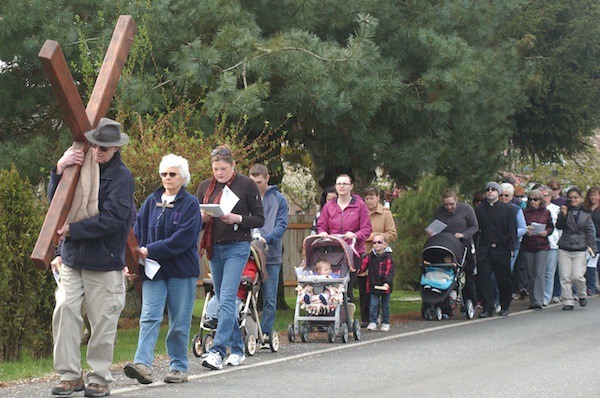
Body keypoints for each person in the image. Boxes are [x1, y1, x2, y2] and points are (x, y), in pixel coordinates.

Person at [49, 118, 134, 397]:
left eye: (104, 148)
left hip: (104, 260)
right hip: (73, 259)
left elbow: (112, 220)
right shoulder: (78, 166)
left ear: (115, 149)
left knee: (103, 321)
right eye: (95, 145)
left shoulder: (121, 176)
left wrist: (73, 230)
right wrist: (59, 169)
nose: (98, 152)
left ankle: (99, 378)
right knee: (64, 311)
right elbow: (57, 205)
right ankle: (69, 376)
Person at [123, 154, 201, 385]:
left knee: (179, 321)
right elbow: (137, 233)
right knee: (149, 316)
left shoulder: (190, 204)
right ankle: (143, 365)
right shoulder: (151, 201)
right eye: (164, 174)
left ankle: (178, 366)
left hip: (181, 270)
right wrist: (134, 262)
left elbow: (183, 239)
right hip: (154, 271)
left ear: (183, 177)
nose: (167, 178)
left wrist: (150, 250)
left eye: (172, 174)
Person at [196, 145, 264, 370]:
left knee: (226, 299)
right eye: (215, 169)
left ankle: (217, 350)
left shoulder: (246, 185)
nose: (219, 173)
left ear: (233, 166)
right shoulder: (205, 186)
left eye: (223, 169)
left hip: (238, 247)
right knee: (222, 298)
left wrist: (237, 218)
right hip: (214, 247)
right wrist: (203, 218)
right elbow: (197, 219)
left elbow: (259, 219)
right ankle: (237, 349)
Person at [248, 163, 289, 342]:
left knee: (270, 298)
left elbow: (281, 225)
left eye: (259, 181)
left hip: (271, 255)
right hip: (249, 253)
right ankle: (249, 331)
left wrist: (267, 238)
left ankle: (265, 333)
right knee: (247, 295)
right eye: (253, 181)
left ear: (267, 178)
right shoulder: (247, 197)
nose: (256, 184)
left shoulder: (279, 200)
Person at [429, 189, 479, 308]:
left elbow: (475, 226)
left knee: (466, 275)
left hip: (463, 245)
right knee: (445, 272)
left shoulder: (466, 209)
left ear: (456, 201)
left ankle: (470, 300)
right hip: (446, 246)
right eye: (446, 204)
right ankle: (444, 303)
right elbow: (436, 226)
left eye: (452, 204)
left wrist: (463, 234)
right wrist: (433, 232)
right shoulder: (439, 212)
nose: (449, 207)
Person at [474, 181, 517, 318]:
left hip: (501, 249)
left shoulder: (508, 209)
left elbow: (512, 230)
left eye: (493, 189)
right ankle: (488, 307)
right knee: (485, 279)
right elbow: (477, 230)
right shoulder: (479, 210)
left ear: (498, 192)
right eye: (488, 190)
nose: (490, 192)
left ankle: (505, 306)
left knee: (503, 279)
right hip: (485, 250)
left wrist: (511, 247)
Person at [361, 186, 397, 327]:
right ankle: (367, 318)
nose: (369, 201)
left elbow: (392, 234)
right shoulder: (361, 212)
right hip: (364, 254)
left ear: (378, 197)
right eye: (367, 198)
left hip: (380, 256)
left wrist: (379, 236)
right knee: (364, 288)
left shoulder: (385, 213)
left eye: (372, 198)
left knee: (379, 287)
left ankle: (381, 317)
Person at [556, 186, 596, 310]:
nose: (573, 200)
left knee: (577, 276)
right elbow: (559, 226)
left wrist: (593, 247)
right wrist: (563, 215)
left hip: (580, 248)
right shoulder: (564, 210)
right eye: (571, 198)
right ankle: (567, 301)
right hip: (565, 246)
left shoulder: (586, 213)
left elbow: (590, 231)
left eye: (575, 197)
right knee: (565, 276)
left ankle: (581, 293)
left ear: (580, 198)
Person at [520, 189, 554, 310]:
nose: (533, 202)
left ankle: (539, 300)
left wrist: (546, 232)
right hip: (528, 245)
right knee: (530, 273)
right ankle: (533, 299)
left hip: (542, 245)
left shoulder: (546, 212)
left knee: (539, 272)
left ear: (541, 201)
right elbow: (521, 226)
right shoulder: (524, 212)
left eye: (535, 199)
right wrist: (526, 231)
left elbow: (551, 227)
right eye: (530, 200)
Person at [204, 257, 259, 328]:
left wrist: (237, 278)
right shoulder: (226, 262)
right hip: (221, 293)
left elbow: (250, 275)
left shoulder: (248, 264)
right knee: (213, 302)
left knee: (232, 305)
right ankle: (212, 318)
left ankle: (232, 321)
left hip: (237, 295)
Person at [358, 234, 395, 331]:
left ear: (385, 244)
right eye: (374, 243)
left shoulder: (389, 257)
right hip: (373, 284)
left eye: (379, 242)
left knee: (385, 305)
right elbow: (362, 266)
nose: (376, 245)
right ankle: (373, 321)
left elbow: (390, 271)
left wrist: (387, 282)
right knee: (373, 304)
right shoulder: (370, 256)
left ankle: (386, 322)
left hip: (385, 286)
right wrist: (356, 270)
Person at [499, 183, 528, 300]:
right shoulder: (492, 209)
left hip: (512, 245)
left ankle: (505, 297)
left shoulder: (516, 210)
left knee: (506, 271)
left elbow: (523, 229)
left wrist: (510, 233)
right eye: (501, 195)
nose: (503, 198)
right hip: (496, 244)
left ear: (511, 197)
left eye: (506, 195)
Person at [538, 185, 562, 305]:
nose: (543, 198)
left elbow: (560, 227)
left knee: (549, 272)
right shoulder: (536, 209)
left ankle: (547, 297)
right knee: (539, 272)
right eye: (540, 196)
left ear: (550, 196)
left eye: (545, 195)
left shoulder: (556, 209)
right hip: (538, 244)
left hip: (553, 244)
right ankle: (539, 295)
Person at [583, 187, 600, 295]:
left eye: (595, 195)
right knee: (590, 265)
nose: (593, 197)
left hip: (599, 239)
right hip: (588, 240)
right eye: (591, 195)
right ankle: (591, 287)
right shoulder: (586, 209)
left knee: (598, 264)